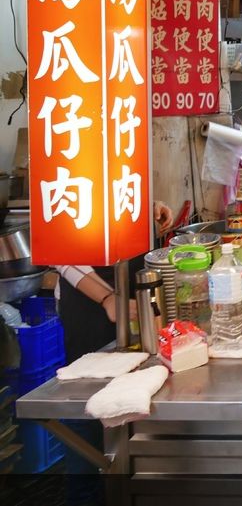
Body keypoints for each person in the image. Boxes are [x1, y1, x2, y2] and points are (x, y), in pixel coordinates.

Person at [56, 200, 173, 506]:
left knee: (137, 397)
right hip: (90, 304)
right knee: (87, 408)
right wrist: (108, 297)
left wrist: (148, 207)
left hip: (130, 291)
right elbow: (60, 253)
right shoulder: (59, 163)